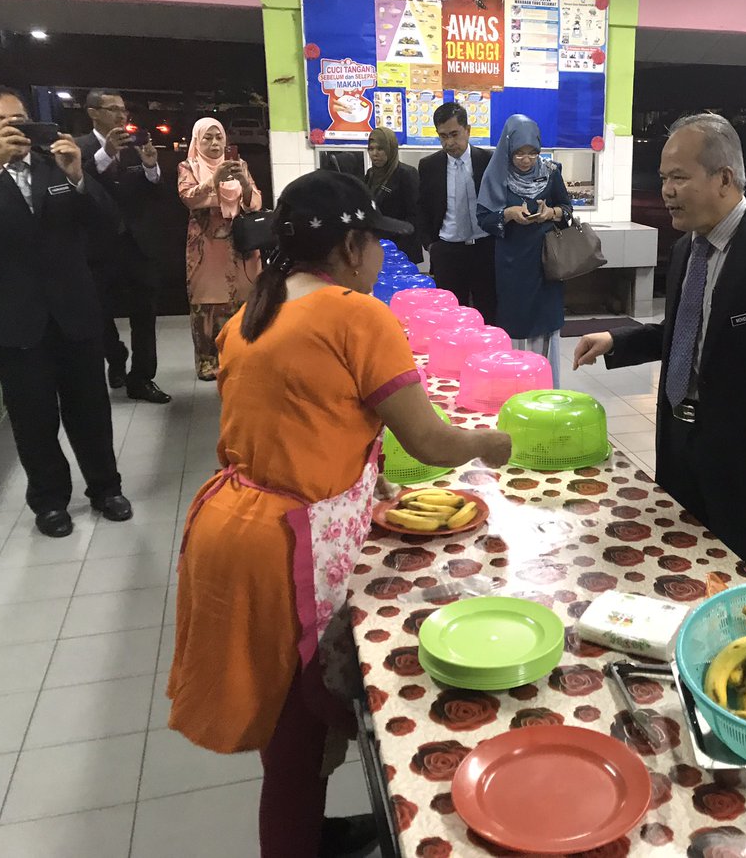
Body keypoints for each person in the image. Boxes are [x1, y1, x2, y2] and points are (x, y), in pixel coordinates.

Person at [167, 169, 511, 858]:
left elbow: (304, 421)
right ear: (352, 248)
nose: (384, 259)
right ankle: (294, 841)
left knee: (288, 727)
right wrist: (496, 441)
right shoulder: (357, 315)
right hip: (285, 549)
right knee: (298, 733)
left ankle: (307, 828)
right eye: (376, 244)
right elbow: (430, 439)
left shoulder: (251, 314)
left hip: (234, 528)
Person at [573, 113, 746, 578]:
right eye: (662, 178)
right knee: (680, 566)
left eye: (679, 177)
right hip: (680, 442)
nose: (666, 191)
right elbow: (686, 334)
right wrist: (616, 339)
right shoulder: (685, 250)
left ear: (724, 179)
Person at [0, 85, 133, 537]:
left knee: (90, 410)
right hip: (14, 322)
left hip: (75, 313)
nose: (9, 129)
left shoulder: (58, 164)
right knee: (33, 419)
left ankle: (106, 488)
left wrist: (79, 178)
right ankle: (50, 502)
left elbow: (109, 225)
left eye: (16, 120)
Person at [76, 88, 171, 404]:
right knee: (99, 314)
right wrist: (104, 154)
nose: (121, 115)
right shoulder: (78, 148)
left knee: (145, 315)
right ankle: (115, 357)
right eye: (113, 109)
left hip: (137, 246)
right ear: (93, 112)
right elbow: (76, 188)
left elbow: (154, 193)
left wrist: (149, 167)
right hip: (97, 249)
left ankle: (142, 378)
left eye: (123, 110)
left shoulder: (134, 146)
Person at [476, 114, 573, 386]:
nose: (527, 160)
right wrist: (507, 214)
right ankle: (515, 384)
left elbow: (567, 211)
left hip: (546, 265)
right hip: (512, 265)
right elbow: (482, 217)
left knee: (546, 323)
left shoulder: (551, 173)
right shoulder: (496, 176)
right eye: (519, 153)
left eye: (532, 153)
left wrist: (549, 213)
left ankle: (545, 384)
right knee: (515, 322)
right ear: (508, 149)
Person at [178, 117, 262, 381]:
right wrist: (214, 180)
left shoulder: (241, 166)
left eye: (219, 137)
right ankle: (208, 360)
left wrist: (245, 185)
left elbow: (255, 203)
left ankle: (240, 355)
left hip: (240, 245)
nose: (214, 143)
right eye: (208, 138)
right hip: (206, 245)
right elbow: (189, 198)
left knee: (244, 298)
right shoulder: (188, 166)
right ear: (197, 140)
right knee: (208, 302)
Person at [417, 102, 496, 321]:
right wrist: (431, 245)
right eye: (443, 136)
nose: (449, 142)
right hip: (448, 250)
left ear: (467, 130)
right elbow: (422, 208)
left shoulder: (489, 161)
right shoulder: (429, 165)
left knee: (488, 312)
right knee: (452, 316)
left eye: (454, 134)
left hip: (485, 247)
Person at [364, 126, 422, 261]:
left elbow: (415, 215)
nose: (375, 153)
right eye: (371, 149)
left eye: (380, 148)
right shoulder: (370, 174)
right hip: (376, 246)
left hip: (401, 247)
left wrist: (393, 234)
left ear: (390, 149)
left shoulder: (406, 174)